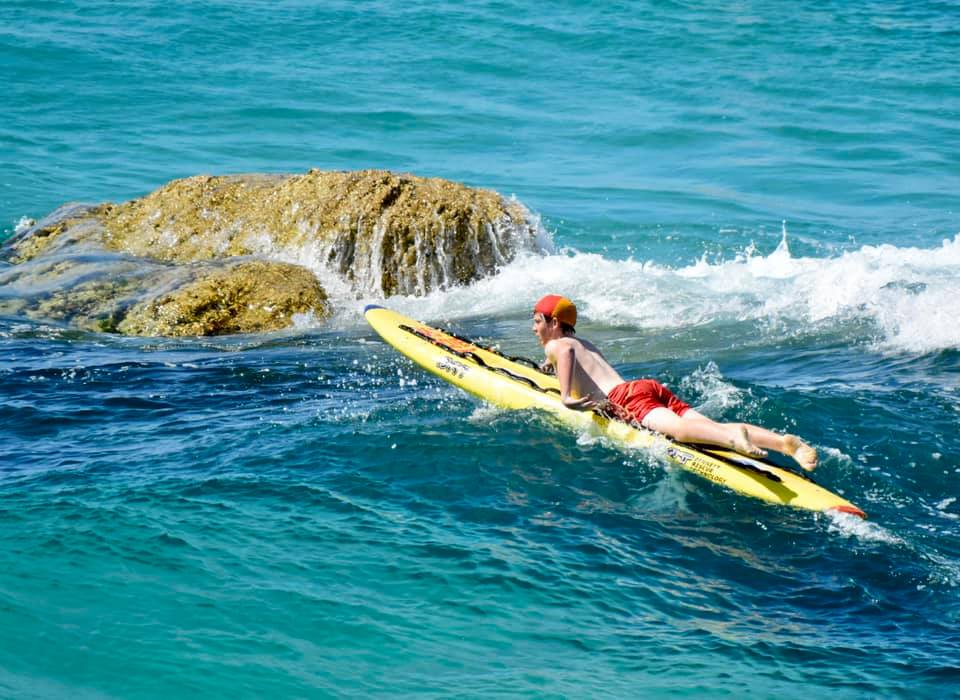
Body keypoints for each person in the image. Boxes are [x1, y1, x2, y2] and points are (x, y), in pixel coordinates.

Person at [532, 294, 818, 471]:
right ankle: (785, 444)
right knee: (707, 428)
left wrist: (567, 397)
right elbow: (573, 355)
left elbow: (563, 352)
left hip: (626, 399)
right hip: (645, 387)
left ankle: (734, 439)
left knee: (681, 432)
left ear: (554, 323)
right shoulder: (583, 341)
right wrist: (552, 365)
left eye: (537, 322)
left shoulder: (557, 346)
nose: (534, 329)